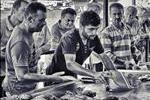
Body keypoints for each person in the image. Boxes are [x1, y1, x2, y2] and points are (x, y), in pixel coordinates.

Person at [2, 2, 75, 96]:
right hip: (17, 91)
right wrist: (53, 78)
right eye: (41, 20)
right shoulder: (20, 41)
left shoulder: (26, 31)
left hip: (26, 88)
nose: (44, 23)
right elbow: (22, 75)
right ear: (30, 19)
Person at [53, 11, 104, 78]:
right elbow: (70, 64)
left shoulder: (93, 38)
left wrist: (115, 73)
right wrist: (94, 74)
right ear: (81, 26)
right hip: (55, 77)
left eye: (96, 29)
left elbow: (104, 57)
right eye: (91, 29)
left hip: (72, 76)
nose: (94, 32)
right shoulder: (70, 37)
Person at [0, 0, 29, 97]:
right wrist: (8, 55)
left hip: (18, 76)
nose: (26, 15)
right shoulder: (1, 25)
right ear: (14, 10)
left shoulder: (24, 28)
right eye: (23, 10)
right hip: (2, 73)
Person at [101, 3, 136, 69]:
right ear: (110, 15)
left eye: (119, 13)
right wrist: (124, 63)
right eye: (114, 14)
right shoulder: (106, 32)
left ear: (123, 14)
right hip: (114, 69)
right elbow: (107, 54)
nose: (117, 16)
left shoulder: (128, 29)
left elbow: (133, 48)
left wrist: (138, 61)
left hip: (130, 68)